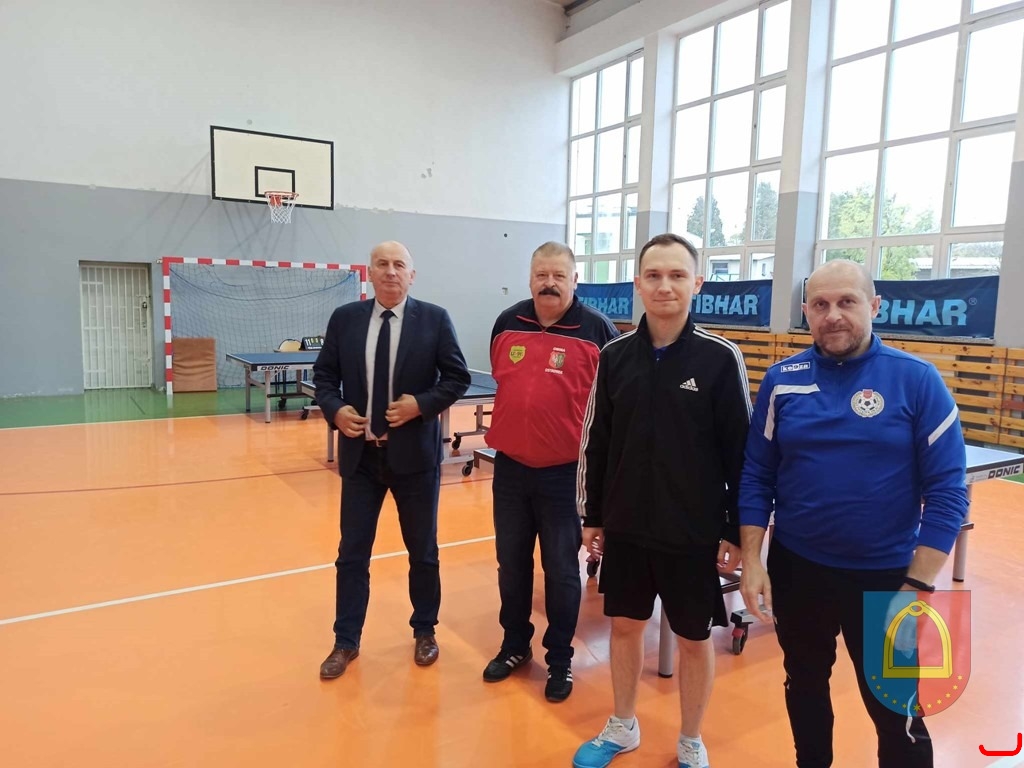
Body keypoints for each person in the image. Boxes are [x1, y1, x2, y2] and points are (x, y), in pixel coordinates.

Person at [738, 259, 969, 768]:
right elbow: (757, 475)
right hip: (798, 571)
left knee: (897, 710)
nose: (833, 315)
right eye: (820, 305)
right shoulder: (782, 380)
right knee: (804, 684)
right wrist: (752, 560)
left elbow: (949, 493)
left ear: (874, 306)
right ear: (806, 312)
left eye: (847, 302)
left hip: (887, 579)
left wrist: (918, 584)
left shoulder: (917, 381)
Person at [573, 233, 751, 768]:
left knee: (694, 638)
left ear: (697, 284)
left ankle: (691, 738)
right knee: (625, 626)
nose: (665, 285)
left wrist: (734, 528)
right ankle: (623, 725)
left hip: (692, 530)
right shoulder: (613, 357)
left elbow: (741, 452)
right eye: (654, 275)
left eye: (677, 275)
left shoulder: (720, 358)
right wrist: (592, 514)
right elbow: (596, 440)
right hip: (626, 525)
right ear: (638, 284)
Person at [313, 241, 470, 679]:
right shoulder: (345, 319)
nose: (390, 271)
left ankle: (425, 631)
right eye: (382, 264)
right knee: (351, 554)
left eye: (399, 265)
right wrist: (334, 409)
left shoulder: (435, 319)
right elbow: (324, 376)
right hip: (361, 459)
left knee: (423, 552)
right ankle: (346, 641)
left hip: (415, 459)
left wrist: (421, 404)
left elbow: (456, 377)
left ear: (412, 275)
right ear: (370, 272)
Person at [482, 241, 618, 703]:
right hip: (510, 471)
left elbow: (611, 407)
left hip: (566, 476)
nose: (549, 283)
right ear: (530, 278)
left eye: (559, 275)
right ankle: (514, 645)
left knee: (561, 570)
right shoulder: (507, 323)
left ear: (575, 280)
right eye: (542, 274)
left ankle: (560, 658)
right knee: (511, 564)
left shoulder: (598, 331)